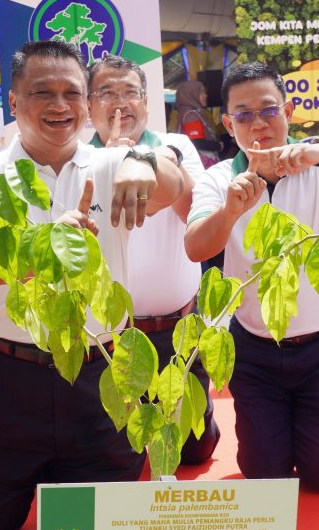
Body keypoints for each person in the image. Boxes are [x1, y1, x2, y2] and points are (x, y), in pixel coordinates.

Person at [0, 41, 186, 530]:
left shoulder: (113, 167)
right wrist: (55, 236)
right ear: (13, 102)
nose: (60, 106)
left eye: (72, 94)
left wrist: (141, 159)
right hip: (4, 375)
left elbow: (174, 186)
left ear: (87, 104)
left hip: (97, 372)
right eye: (43, 92)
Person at [184, 62, 319, 492]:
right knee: (265, 478)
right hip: (254, 349)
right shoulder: (220, 180)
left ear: (290, 111)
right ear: (227, 123)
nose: (258, 123)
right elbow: (195, 248)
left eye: (269, 110)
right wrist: (230, 211)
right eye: (243, 115)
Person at [86, 54, 220, 464]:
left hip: (175, 329)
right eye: (106, 93)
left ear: (147, 102)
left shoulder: (176, 146)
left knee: (194, 452)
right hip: (106, 340)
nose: (120, 103)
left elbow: (192, 214)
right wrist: (110, 160)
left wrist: (142, 161)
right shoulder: (74, 156)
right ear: (89, 105)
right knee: (116, 455)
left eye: (130, 92)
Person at [173, 79, 222, 168]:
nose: (205, 95)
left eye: (205, 92)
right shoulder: (191, 115)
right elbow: (196, 142)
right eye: (201, 92)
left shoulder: (187, 112)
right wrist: (218, 145)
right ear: (191, 94)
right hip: (201, 163)